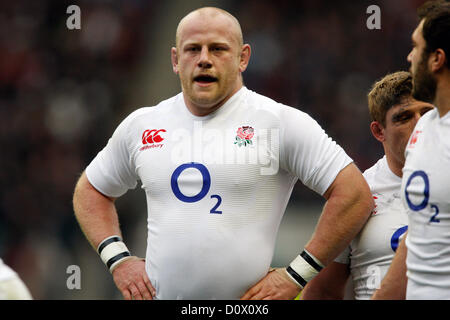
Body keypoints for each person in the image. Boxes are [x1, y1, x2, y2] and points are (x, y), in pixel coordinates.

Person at [73, 7, 374, 300]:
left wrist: (295, 275)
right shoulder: (142, 125)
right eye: (193, 49)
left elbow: (354, 194)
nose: (204, 60)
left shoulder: (278, 122)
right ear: (176, 60)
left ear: (243, 58)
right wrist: (119, 259)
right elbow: (90, 190)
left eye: (218, 49)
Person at [298, 71, 433, 300]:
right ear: (379, 131)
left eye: (428, 113)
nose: (420, 124)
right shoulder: (358, 195)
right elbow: (322, 292)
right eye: (404, 117)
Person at [372, 0, 450, 300]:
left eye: (416, 47)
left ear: (436, 59)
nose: (409, 56)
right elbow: (417, 236)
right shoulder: (425, 129)